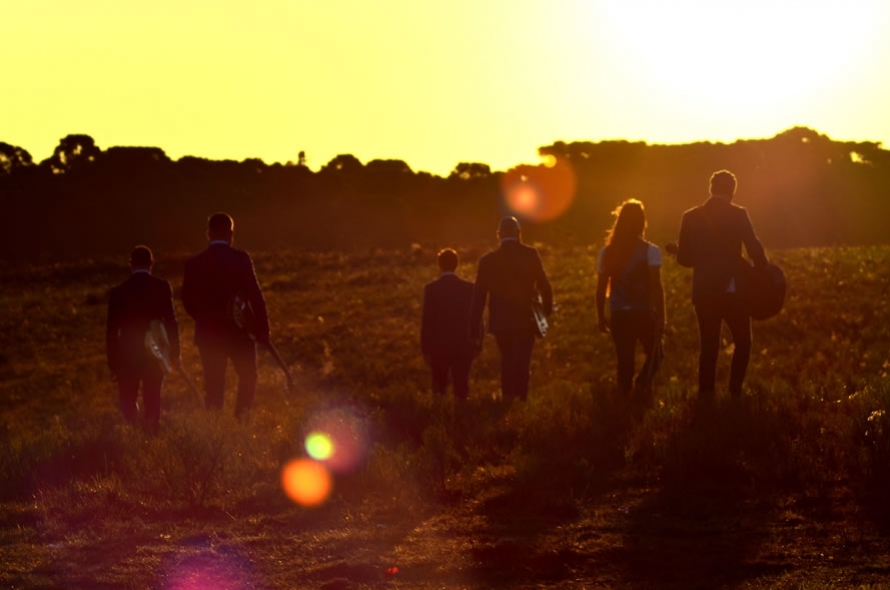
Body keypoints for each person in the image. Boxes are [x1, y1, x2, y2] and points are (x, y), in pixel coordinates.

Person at [669, 169, 767, 400]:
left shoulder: (690, 216)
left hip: (703, 291)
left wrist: (680, 252)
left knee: (709, 346)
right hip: (734, 291)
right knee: (743, 342)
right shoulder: (739, 214)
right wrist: (763, 270)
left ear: (711, 189)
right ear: (732, 191)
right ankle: (734, 392)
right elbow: (754, 249)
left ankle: (706, 395)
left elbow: (685, 260)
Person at [182, 212, 270, 417]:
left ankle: (216, 430)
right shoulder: (241, 259)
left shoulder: (194, 264)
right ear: (231, 234)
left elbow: (187, 301)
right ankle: (241, 418)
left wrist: (204, 318)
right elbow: (255, 295)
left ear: (208, 235)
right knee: (249, 375)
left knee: (214, 385)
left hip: (209, 335)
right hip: (239, 333)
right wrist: (262, 328)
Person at [470, 216, 553, 402]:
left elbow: (479, 297)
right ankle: (521, 401)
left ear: (498, 235)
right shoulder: (530, 254)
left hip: (501, 322)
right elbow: (545, 287)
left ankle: (507, 400)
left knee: (506, 361)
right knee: (523, 362)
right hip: (526, 320)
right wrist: (544, 316)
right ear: (518, 234)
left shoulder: (488, 261)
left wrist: (474, 327)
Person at [595, 200, 666, 399]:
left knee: (624, 362)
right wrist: (662, 317)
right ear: (642, 222)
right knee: (657, 355)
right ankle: (641, 387)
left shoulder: (607, 253)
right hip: (644, 313)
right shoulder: (650, 251)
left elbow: (601, 289)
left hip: (619, 314)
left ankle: (623, 401)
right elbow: (656, 288)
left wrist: (601, 316)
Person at [106, 245, 180, 433]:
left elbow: (111, 331)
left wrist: (113, 362)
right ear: (151, 264)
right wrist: (174, 353)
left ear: (130, 264)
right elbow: (171, 322)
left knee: (128, 399)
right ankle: (150, 436)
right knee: (153, 398)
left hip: (127, 355)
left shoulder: (118, 292)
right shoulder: (162, 287)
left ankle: (133, 431)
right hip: (155, 354)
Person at [421, 248, 480, 401]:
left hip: (439, 346)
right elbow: (476, 317)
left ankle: (439, 418)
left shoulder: (431, 289)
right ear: (457, 265)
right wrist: (477, 342)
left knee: (439, 388)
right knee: (461, 387)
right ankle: (461, 418)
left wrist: (425, 348)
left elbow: (427, 320)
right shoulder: (470, 289)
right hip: (463, 344)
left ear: (439, 265)